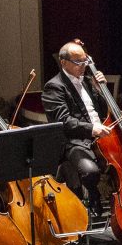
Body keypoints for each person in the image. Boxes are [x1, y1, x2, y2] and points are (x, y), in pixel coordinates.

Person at [41, 40, 110, 206]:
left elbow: (102, 112)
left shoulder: (87, 81)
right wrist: (92, 129)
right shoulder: (54, 87)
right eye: (78, 62)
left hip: (101, 136)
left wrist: (101, 91)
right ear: (63, 62)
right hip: (74, 142)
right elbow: (63, 121)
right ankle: (93, 198)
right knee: (90, 172)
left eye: (85, 61)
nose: (83, 66)